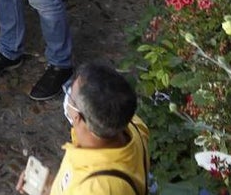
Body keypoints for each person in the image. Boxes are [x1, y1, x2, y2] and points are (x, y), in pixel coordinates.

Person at [16, 61, 150, 195]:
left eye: (70, 96)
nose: (67, 97)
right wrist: (51, 187)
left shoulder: (98, 189)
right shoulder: (132, 124)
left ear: (77, 117)